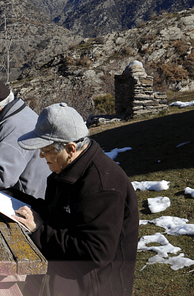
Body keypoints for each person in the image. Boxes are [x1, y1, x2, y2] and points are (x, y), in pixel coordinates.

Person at [14, 103, 139, 296]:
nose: (41, 155)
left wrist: (39, 231)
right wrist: (16, 198)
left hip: (94, 287)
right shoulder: (69, 169)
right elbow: (58, 214)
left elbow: (94, 252)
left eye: (46, 150)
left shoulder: (101, 187)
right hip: (67, 279)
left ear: (71, 149)